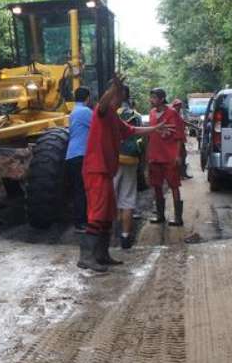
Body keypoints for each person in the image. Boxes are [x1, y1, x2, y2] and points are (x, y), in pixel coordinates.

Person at [78, 77, 172, 272]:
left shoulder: (114, 116)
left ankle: (102, 254)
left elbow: (133, 130)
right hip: (96, 169)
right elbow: (103, 103)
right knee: (97, 213)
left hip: (107, 170)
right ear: (113, 96)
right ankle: (86, 257)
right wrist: (114, 87)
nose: (123, 99)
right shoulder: (102, 112)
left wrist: (155, 128)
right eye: (120, 95)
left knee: (107, 214)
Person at [147, 88, 186, 226]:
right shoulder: (151, 113)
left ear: (162, 99)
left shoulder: (172, 113)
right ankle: (160, 215)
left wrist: (177, 155)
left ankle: (178, 217)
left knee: (174, 185)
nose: (151, 100)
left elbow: (180, 136)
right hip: (154, 157)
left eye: (153, 97)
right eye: (151, 97)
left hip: (169, 156)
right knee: (156, 186)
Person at [115, 86, 143, 249]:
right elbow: (141, 140)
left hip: (113, 160)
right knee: (127, 198)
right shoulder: (136, 116)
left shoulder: (109, 114)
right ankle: (125, 236)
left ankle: (111, 234)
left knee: (112, 196)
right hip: (131, 160)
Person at [65, 86, 92, 232]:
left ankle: (80, 221)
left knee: (78, 189)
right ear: (88, 98)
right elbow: (98, 126)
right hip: (81, 155)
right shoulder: (85, 111)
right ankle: (81, 222)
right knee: (82, 189)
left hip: (72, 155)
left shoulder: (73, 112)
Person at [171, 99, 193, 179]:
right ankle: (179, 174)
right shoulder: (172, 114)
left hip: (180, 138)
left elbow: (183, 122)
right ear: (175, 106)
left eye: (180, 105)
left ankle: (182, 173)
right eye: (178, 105)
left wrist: (195, 126)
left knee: (183, 155)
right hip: (175, 139)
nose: (179, 107)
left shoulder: (178, 114)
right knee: (179, 156)